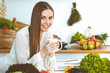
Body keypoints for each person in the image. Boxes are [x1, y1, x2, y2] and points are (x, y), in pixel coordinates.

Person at [0, 1, 59, 73]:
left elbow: (50, 68)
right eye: (43, 18)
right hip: (6, 69)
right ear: (35, 18)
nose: (47, 22)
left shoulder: (48, 33)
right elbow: (24, 68)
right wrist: (43, 52)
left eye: (50, 18)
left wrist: (51, 54)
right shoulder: (21, 35)